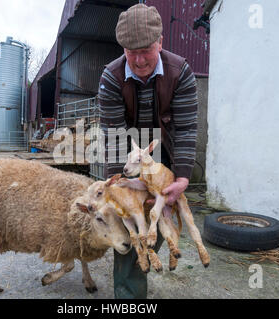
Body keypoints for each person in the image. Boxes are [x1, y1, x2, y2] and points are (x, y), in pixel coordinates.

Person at [98, 4, 199, 299]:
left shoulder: (181, 73)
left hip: (160, 151)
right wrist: (117, 183)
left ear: (161, 42)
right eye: (131, 51)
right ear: (122, 48)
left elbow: (185, 129)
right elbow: (114, 136)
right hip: (127, 153)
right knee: (129, 218)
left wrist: (182, 176)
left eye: (146, 50)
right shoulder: (111, 77)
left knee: (157, 216)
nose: (139, 59)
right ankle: (129, 296)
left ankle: (149, 255)